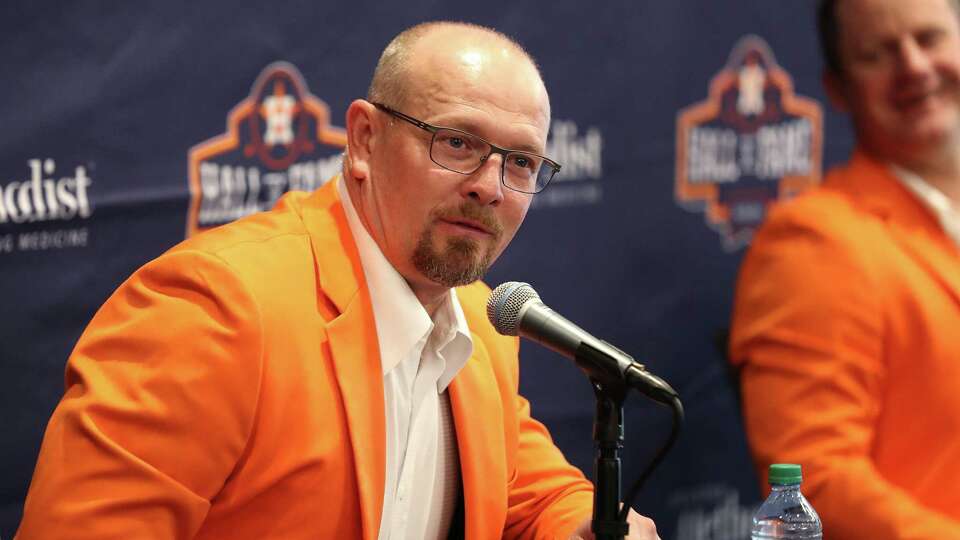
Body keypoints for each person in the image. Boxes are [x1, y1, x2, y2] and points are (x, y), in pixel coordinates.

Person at [15, 22, 658, 540]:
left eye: (519, 161)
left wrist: (585, 523)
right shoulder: (215, 311)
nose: (488, 186)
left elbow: (526, 490)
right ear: (363, 141)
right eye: (457, 143)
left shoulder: (483, 323)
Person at [730, 0, 960, 538]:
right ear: (837, 87)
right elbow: (816, 480)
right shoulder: (813, 243)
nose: (915, 68)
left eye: (928, 39)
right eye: (877, 53)